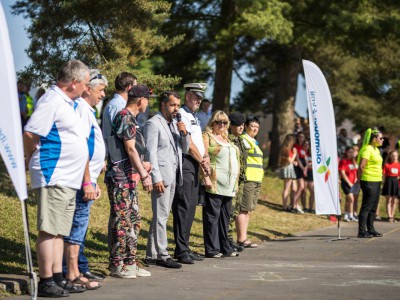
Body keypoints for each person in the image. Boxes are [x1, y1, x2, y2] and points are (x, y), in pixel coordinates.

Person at [23, 60, 90, 297]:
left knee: (60, 230)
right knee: (49, 230)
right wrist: (31, 159)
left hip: (68, 178)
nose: (87, 88)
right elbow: (30, 132)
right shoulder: (51, 100)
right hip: (54, 173)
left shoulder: (68, 103)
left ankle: (58, 278)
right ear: (74, 82)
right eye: (85, 83)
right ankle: (46, 280)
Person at [62, 70, 107, 292]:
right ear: (88, 89)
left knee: (79, 227)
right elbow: (81, 146)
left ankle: (76, 270)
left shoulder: (87, 110)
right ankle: (71, 272)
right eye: (101, 90)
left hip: (88, 177)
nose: (103, 95)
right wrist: (88, 180)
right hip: (81, 179)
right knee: (76, 227)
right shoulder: (80, 109)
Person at [105, 84, 153, 278]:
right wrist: (145, 175)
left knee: (133, 220)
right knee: (121, 222)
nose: (149, 103)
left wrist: (141, 167)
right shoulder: (125, 116)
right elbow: (130, 148)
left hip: (129, 178)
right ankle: (117, 264)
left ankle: (130, 262)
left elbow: (134, 151)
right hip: (120, 179)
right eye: (148, 99)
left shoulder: (132, 118)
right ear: (141, 100)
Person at [144, 91, 190, 268]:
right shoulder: (153, 123)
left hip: (173, 174)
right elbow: (150, 153)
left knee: (161, 215)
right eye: (172, 105)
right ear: (163, 105)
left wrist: (184, 132)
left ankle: (151, 254)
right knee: (161, 215)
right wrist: (155, 177)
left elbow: (184, 149)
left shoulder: (174, 125)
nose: (176, 109)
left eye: (177, 105)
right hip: (161, 176)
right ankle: (163, 254)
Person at [172, 82, 209, 264]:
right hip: (187, 163)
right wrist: (202, 161)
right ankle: (180, 249)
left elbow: (199, 142)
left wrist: (205, 157)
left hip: (195, 164)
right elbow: (189, 144)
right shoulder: (182, 115)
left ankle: (185, 246)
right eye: (196, 97)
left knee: (191, 207)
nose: (198, 101)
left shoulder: (194, 116)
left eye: (201, 98)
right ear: (187, 96)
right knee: (184, 207)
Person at [202, 111, 239, 258]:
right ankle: (212, 249)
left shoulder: (228, 139)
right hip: (215, 183)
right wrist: (206, 178)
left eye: (224, 122)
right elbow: (203, 158)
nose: (222, 125)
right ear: (212, 123)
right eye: (218, 122)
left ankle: (225, 247)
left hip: (229, 185)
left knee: (225, 217)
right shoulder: (207, 136)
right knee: (212, 217)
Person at [236, 115, 264, 248]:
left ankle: (244, 237)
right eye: (252, 126)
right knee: (243, 209)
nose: (255, 129)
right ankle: (241, 239)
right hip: (248, 179)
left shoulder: (253, 141)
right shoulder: (244, 140)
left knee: (247, 210)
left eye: (257, 127)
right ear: (246, 126)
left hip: (256, 179)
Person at [357, 128, 384, 238]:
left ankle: (371, 229)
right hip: (368, 180)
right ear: (374, 139)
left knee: (373, 206)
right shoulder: (368, 149)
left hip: (377, 180)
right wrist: (360, 179)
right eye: (381, 138)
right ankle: (362, 231)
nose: (383, 140)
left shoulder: (376, 150)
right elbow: (362, 166)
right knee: (367, 206)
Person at [227, 112, 247, 253]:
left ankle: (229, 238)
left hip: (240, 180)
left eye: (242, 125)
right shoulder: (229, 139)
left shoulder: (240, 139)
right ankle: (227, 239)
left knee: (235, 211)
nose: (241, 127)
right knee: (229, 211)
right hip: (231, 180)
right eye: (237, 125)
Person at [101, 72, 137, 142]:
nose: (137, 90)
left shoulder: (118, 104)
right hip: (115, 151)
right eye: (135, 87)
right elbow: (121, 134)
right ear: (129, 87)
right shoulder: (118, 106)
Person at [339, 147, 358, 222]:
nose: (351, 154)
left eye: (352, 152)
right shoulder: (343, 161)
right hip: (346, 183)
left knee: (348, 200)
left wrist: (356, 179)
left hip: (353, 183)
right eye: (349, 152)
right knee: (351, 199)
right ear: (346, 152)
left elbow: (355, 172)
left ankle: (346, 215)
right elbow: (342, 173)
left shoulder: (353, 162)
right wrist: (349, 183)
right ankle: (351, 216)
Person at [279, 134, 297, 211]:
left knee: (294, 188)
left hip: (289, 167)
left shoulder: (287, 148)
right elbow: (290, 160)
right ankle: (285, 207)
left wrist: (294, 162)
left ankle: (292, 205)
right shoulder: (286, 149)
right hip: (288, 168)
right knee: (286, 188)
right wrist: (295, 154)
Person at [381, 150, 400, 223]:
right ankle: (389, 216)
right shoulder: (387, 165)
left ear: (397, 156)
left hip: (395, 182)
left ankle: (392, 215)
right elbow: (384, 175)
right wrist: (384, 183)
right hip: (388, 182)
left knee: (394, 200)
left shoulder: (399, 165)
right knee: (388, 200)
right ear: (390, 157)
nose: (394, 157)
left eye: (395, 155)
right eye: (393, 156)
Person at [292, 132, 307, 214]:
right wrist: (303, 168)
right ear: (297, 137)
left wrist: (306, 167)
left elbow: (305, 158)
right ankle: (294, 205)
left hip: (302, 169)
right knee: (299, 187)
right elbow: (297, 158)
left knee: (301, 187)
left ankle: (296, 204)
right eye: (300, 136)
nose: (301, 138)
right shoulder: (295, 146)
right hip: (297, 168)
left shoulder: (303, 147)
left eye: (303, 137)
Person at [303, 139, 314, 213]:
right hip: (303, 173)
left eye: (308, 144)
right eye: (305, 144)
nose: (307, 146)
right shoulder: (302, 153)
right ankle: (304, 208)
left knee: (313, 192)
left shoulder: (312, 154)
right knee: (304, 191)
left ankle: (310, 208)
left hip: (311, 173)